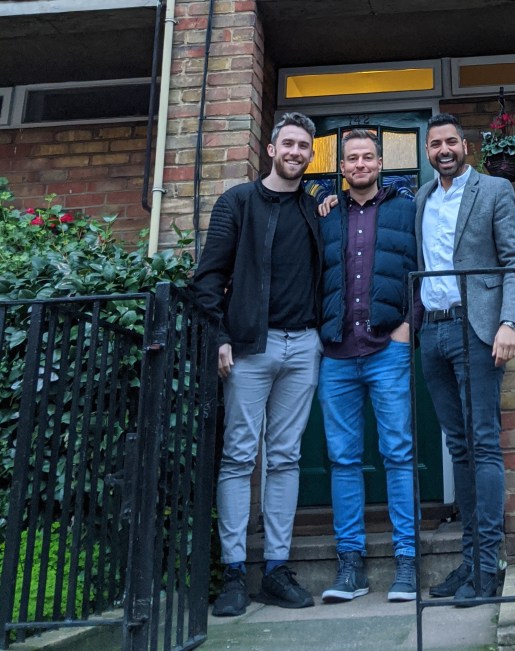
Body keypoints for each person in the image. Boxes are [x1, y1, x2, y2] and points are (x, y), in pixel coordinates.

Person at [192, 112, 322, 617]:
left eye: (303, 147)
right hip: (251, 348)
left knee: (285, 457)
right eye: (287, 144)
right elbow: (208, 278)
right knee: (239, 458)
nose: (294, 152)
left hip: (303, 346)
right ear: (271, 149)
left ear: (311, 155)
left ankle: (276, 570)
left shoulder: (313, 209)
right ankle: (232, 573)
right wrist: (221, 336)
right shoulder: (238, 203)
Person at [415, 113, 515, 601]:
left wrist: (510, 322)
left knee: (483, 445)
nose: (444, 149)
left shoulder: (495, 191)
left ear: (466, 146)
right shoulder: (420, 198)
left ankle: (486, 569)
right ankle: (468, 562)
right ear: (427, 152)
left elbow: (514, 261)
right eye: (435, 143)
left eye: (451, 142)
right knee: (458, 447)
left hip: (477, 329)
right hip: (432, 333)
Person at [316, 129, 419, 604]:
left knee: (398, 453)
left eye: (367, 157)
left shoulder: (406, 208)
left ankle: (407, 563)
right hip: (336, 353)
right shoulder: (326, 215)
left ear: (380, 163)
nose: (359, 164)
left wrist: (408, 326)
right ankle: (350, 566)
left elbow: (423, 267)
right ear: (342, 168)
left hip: (387, 348)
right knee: (343, 460)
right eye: (351, 158)